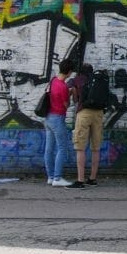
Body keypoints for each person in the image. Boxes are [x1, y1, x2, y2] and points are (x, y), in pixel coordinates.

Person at [69, 63, 106, 189]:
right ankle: (92, 179)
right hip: (99, 113)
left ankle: (80, 180)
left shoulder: (77, 80)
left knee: (80, 146)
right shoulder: (99, 80)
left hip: (84, 113)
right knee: (96, 147)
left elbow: (71, 94)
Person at [44, 59, 75, 187]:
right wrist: (70, 93)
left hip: (48, 117)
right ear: (68, 72)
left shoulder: (53, 81)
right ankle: (57, 178)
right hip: (58, 118)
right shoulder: (63, 86)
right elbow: (65, 105)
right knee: (62, 148)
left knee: (49, 149)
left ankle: (50, 177)